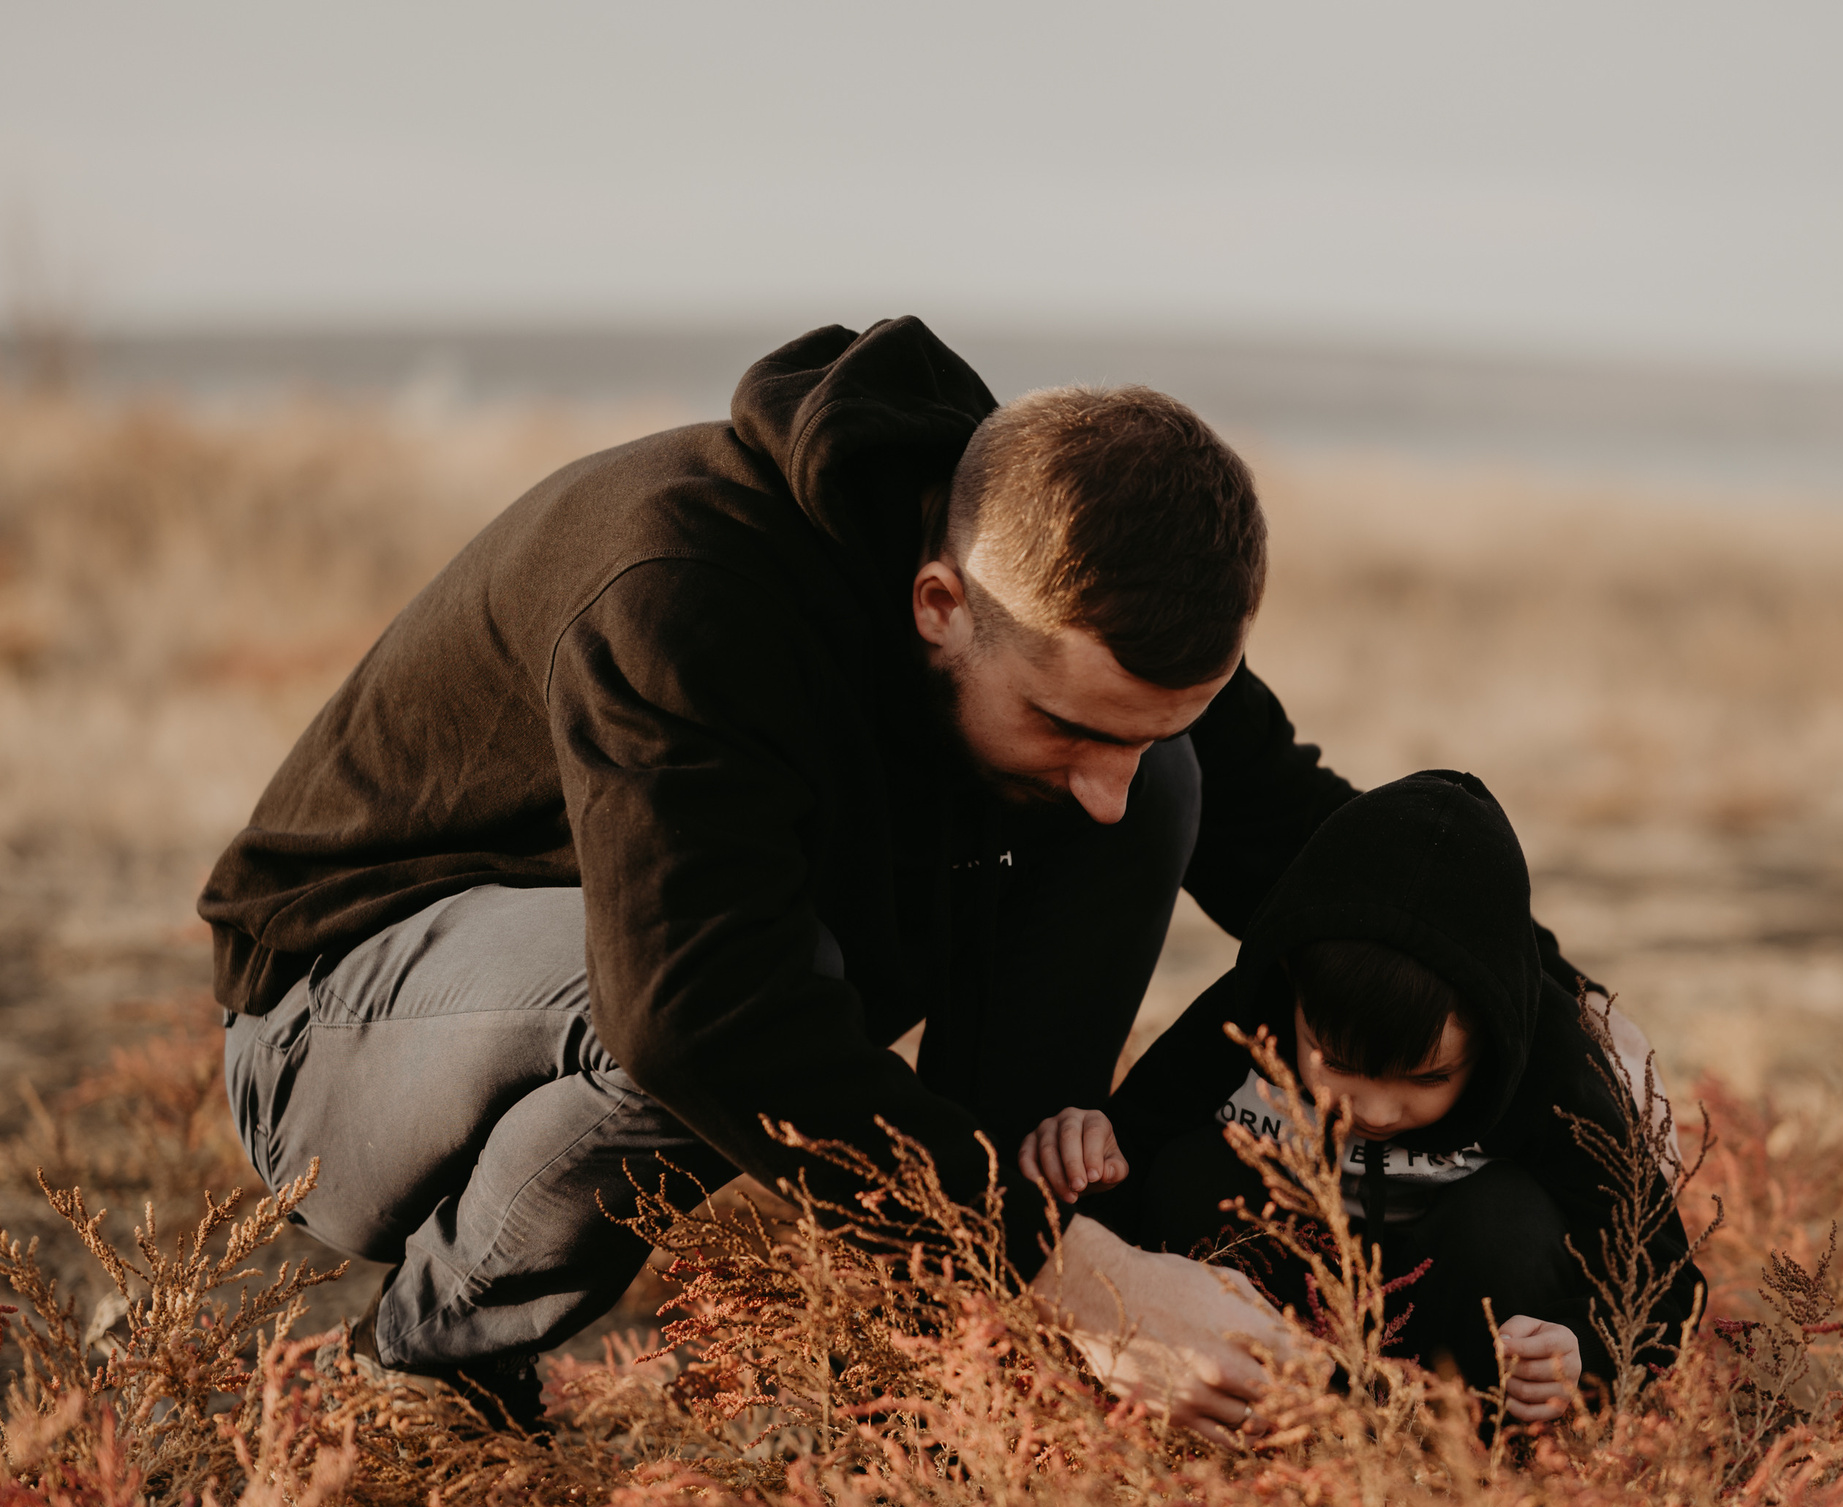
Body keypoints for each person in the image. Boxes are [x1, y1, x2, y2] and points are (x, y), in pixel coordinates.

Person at [203, 318, 1599, 1439]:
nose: (1102, 776)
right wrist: (1088, 1277)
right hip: (344, 1034)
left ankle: (962, 1353)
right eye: (1070, 726)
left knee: (1167, 788)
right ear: (942, 605)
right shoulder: (681, 588)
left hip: (661, 979)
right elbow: (702, 1018)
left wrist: (1561, 1009)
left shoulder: (1083, 575)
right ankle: (426, 1363)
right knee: (680, 1005)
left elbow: (1309, 844)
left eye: (1145, 720)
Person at [1019, 771, 1702, 1420]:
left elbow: (1663, 1273)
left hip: (1464, 1329)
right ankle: (1242, 1408)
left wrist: (1581, 1354)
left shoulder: (1551, 1061)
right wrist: (1089, 1149)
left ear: (1492, 1038)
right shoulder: (1249, 1012)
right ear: (1292, 990)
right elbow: (1134, 1147)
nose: (1374, 1111)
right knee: (1190, 1168)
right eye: (1339, 1063)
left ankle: (1477, 1445)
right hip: (1290, 1310)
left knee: (1507, 1216)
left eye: (1429, 1077)